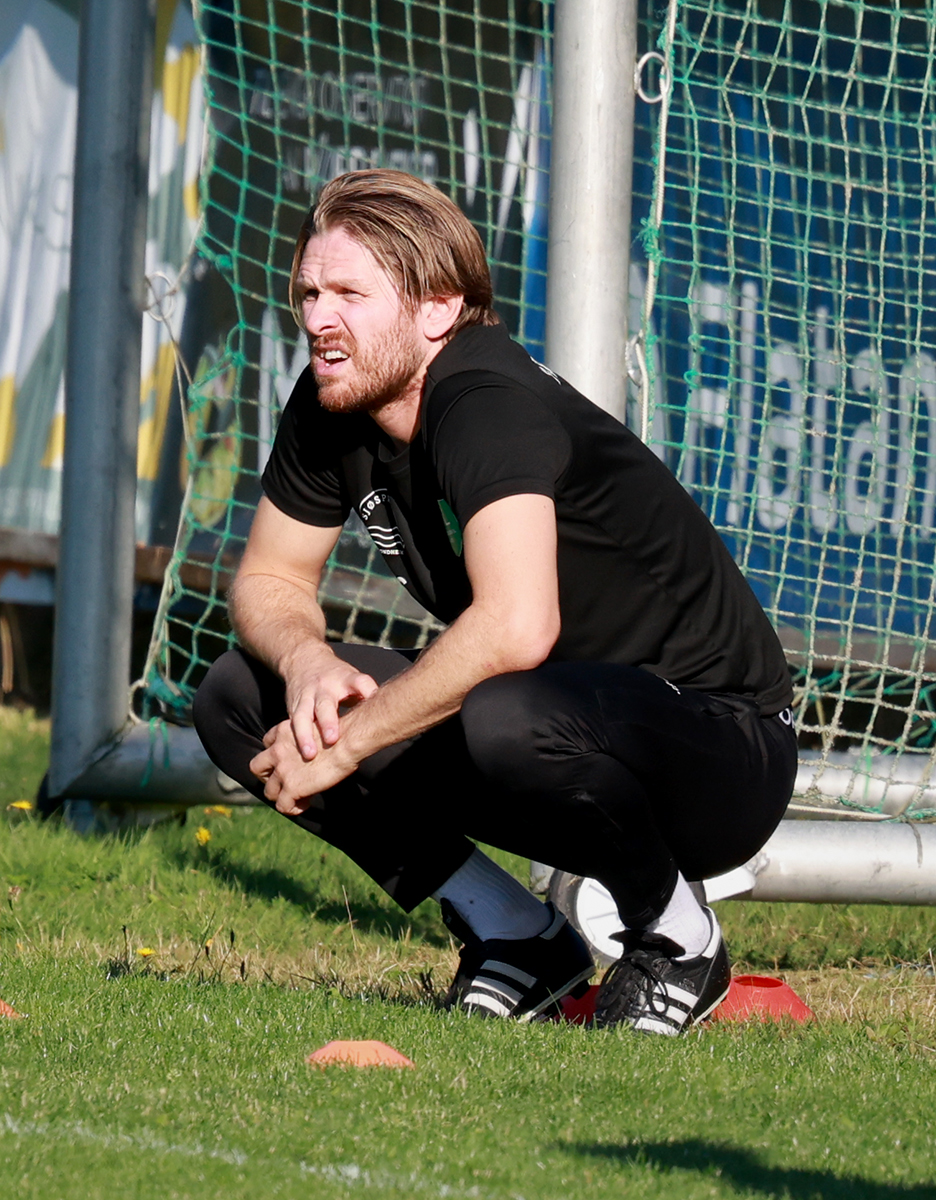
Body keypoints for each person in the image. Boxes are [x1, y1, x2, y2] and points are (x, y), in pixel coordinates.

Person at [191, 170, 796, 1034]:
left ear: (437, 309)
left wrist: (350, 741)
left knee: (506, 712)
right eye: (309, 292)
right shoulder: (336, 391)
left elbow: (519, 626)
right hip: (543, 727)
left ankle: (676, 941)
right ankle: (518, 936)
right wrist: (308, 664)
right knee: (239, 698)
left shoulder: (483, 400)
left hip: (724, 752)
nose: (319, 318)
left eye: (350, 294)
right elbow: (270, 581)